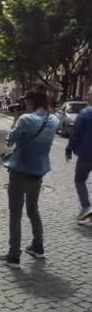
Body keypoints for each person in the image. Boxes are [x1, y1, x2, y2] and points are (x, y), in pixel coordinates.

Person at [0, 85, 59, 269]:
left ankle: (13, 256)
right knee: (33, 209)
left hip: (20, 170)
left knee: (16, 212)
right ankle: (38, 247)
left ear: (31, 101)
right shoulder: (55, 120)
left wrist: (15, 120)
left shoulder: (25, 119)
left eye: (26, 100)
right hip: (38, 170)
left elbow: (10, 141)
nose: (25, 103)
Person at [66, 87, 92, 225]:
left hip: (87, 154)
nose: (87, 97)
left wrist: (69, 148)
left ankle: (86, 207)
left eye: (89, 95)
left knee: (80, 180)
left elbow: (75, 133)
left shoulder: (85, 113)